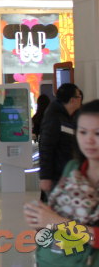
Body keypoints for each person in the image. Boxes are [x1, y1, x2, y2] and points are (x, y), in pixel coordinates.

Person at [24, 100, 99, 266]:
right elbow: (57, 214)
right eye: (83, 132)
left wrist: (55, 221)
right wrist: (41, 218)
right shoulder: (73, 169)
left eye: (97, 133)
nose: (89, 140)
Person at [39, 83, 83, 202]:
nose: (81, 99)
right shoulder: (55, 117)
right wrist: (46, 177)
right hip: (56, 176)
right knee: (57, 211)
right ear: (72, 100)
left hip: (66, 174)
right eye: (79, 96)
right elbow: (46, 148)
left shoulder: (68, 117)